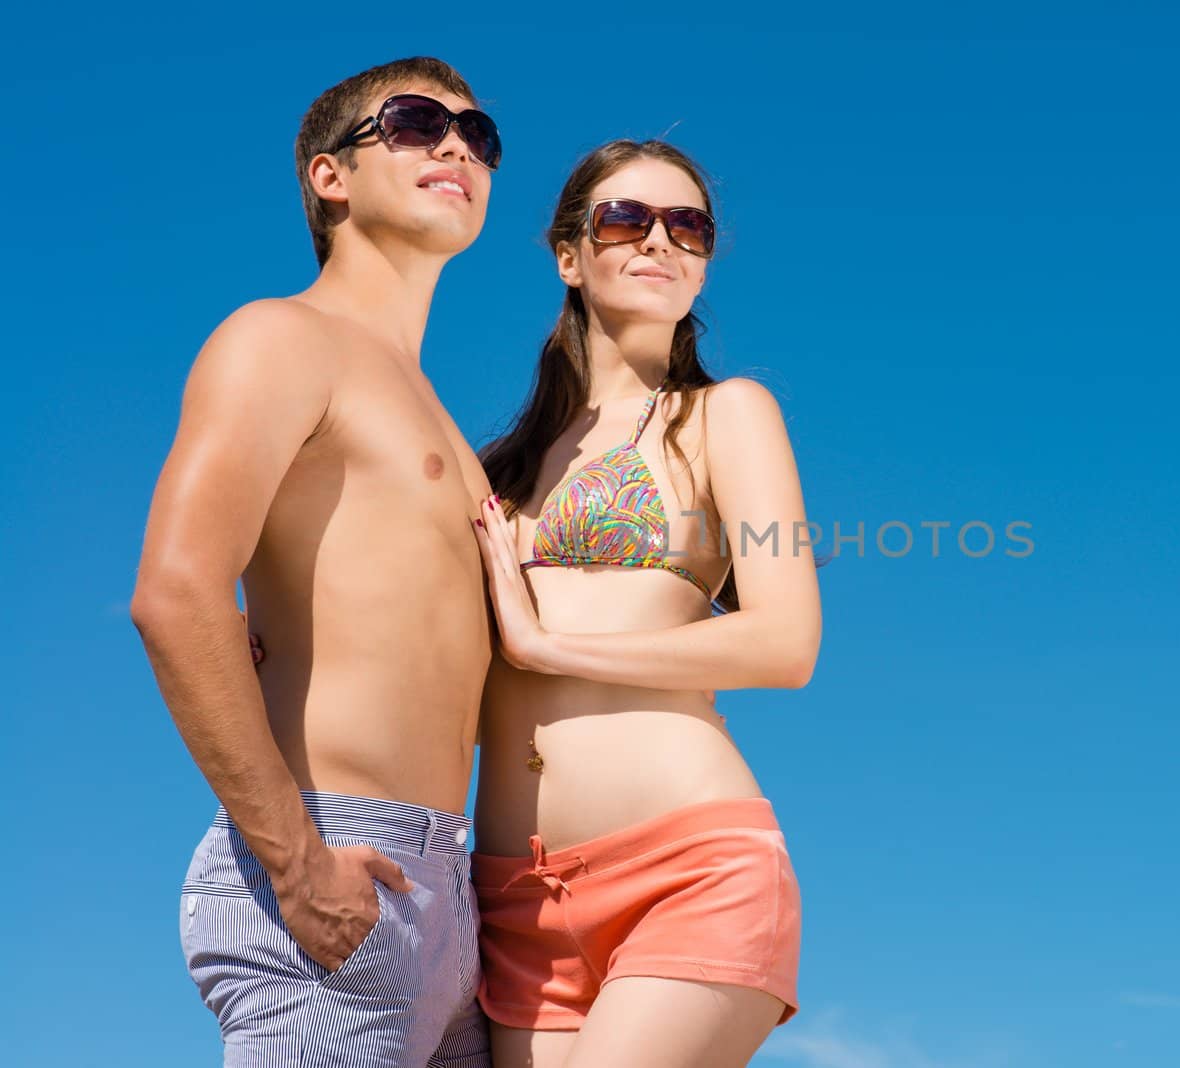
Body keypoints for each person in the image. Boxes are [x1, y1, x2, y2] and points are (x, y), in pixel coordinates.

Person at [130, 56, 502, 1067]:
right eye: (420, 123)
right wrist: (297, 867)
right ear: (328, 177)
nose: (457, 145)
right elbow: (175, 593)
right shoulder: (281, 338)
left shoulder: (446, 427)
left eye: (480, 135)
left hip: (446, 894)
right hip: (335, 865)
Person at [469, 140, 822, 1068]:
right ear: (569, 255)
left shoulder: (723, 414)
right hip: (516, 902)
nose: (660, 241)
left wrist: (548, 645)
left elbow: (785, 644)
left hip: (691, 871)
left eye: (689, 227)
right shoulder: (493, 474)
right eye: (627, 220)